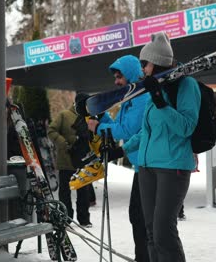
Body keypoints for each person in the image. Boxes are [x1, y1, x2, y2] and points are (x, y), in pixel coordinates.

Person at [105, 32, 201, 262]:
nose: (142, 69)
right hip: (147, 168)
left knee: (163, 232)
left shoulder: (186, 86)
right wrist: (122, 150)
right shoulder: (153, 88)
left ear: (155, 63)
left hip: (172, 168)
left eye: (144, 64)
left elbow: (186, 127)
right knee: (150, 232)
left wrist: (160, 102)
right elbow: (146, 132)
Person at [86, 55, 150, 262]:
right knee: (138, 217)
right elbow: (119, 123)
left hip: (149, 165)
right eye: (115, 77)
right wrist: (102, 117)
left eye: (119, 76)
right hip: (141, 166)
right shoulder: (130, 99)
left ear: (130, 74)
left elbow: (126, 129)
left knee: (142, 219)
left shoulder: (142, 98)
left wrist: (99, 128)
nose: (116, 81)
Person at [48, 94, 92, 227]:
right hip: (66, 160)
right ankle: (66, 218)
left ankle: (84, 219)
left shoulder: (89, 117)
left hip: (83, 160)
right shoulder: (64, 115)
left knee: (84, 191)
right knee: (65, 191)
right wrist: (64, 143)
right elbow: (51, 130)